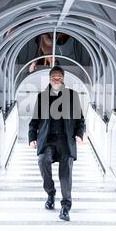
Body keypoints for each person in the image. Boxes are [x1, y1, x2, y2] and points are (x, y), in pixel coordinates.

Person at [28, 66, 85, 221]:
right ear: (49, 78)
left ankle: (65, 207)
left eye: (59, 76)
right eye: (53, 76)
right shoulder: (42, 97)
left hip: (65, 140)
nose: (56, 79)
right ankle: (50, 194)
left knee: (66, 173)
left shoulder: (72, 96)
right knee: (42, 160)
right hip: (47, 140)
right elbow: (34, 121)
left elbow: (80, 120)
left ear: (63, 78)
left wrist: (79, 135)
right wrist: (32, 137)